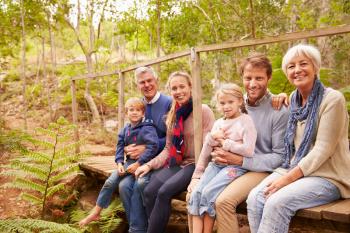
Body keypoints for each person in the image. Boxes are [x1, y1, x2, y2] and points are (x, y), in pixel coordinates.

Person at [246, 44, 350, 233]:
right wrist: (281, 96)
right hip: (295, 167)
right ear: (286, 73)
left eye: (303, 64)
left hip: (328, 176)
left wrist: (285, 180)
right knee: (255, 197)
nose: (297, 70)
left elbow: (322, 149)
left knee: (276, 203)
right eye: (291, 66)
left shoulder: (332, 100)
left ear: (315, 67)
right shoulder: (293, 99)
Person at [187, 53, 289, 233]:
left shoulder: (278, 109)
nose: (252, 83)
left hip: (261, 169)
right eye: (248, 78)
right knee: (194, 193)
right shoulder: (233, 102)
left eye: (259, 78)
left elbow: (280, 157)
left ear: (269, 78)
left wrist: (239, 160)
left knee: (223, 201)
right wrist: (197, 175)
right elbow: (212, 140)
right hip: (228, 167)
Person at [135, 71, 215, 233]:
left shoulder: (202, 110)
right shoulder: (172, 114)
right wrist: (148, 166)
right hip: (178, 163)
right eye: (174, 88)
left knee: (164, 192)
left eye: (182, 87)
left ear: (190, 87)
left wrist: (199, 174)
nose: (178, 92)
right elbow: (168, 149)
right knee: (149, 190)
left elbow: (210, 147)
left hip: (197, 164)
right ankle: (157, 227)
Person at [187, 83, 257, 233]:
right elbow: (208, 147)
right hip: (216, 165)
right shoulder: (219, 123)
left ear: (239, 101)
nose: (226, 106)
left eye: (230, 102)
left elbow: (249, 150)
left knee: (209, 192)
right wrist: (212, 137)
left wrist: (226, 143)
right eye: (222, 103)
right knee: (197, 193)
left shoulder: (246, 121)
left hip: (234, 168)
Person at [79, 98, 159, 227]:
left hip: (145, 165)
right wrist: (120, 163)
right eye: (131, 110)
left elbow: (153, 147)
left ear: (143, 113)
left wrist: (140, 162)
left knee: (137, 186)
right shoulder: (125, 129)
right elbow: (119, 148)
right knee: (110, 182)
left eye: (138, 110)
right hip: (128, 164)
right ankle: (96, 212)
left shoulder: (147, 128)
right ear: (126, 113)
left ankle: (146, 221)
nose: (134, 112)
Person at [118, 66, 172, 233]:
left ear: (156, 81)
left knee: (141, 184)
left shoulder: (169, 103)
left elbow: (174, 139)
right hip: (137, 162)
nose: (147, 85)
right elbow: (128, 133)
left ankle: (150, 226)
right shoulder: (137, 105)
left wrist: (147, 148)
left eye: (150, 80)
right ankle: (139, 228)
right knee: (123, 187)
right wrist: (127, 147)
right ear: (138, 85)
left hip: (161, 159)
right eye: (142, 82)